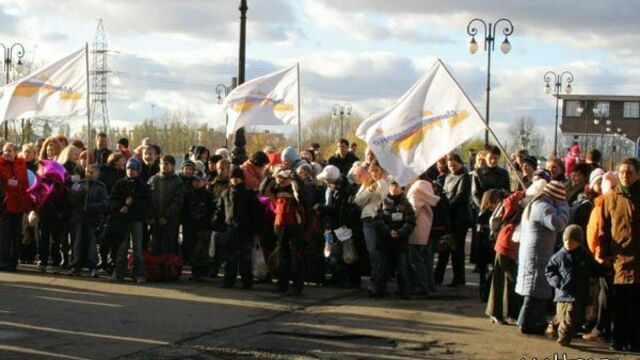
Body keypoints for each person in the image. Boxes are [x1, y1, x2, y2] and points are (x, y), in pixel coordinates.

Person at [516, 180, 569, 335]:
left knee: (536, 290)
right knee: (535, 291)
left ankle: (534, 322)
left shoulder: (536, 204)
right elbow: (558, 224)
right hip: (538, 254)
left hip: (534, 252)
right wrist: (564, 206)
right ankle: (526, 322)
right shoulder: (543, 207)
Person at [598, 158, 640, 351]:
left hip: (638, 258)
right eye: (622, 172)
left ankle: (634, 340)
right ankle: (618, 338)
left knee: (635, 303)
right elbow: (603, 228)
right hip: (619, 258)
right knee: (619, 302)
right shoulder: (611, 197)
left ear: (637, 174)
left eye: (629, 172)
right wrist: (604, 253)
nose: (625, 175)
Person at [546, 225, 605, 346]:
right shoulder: (559, 256)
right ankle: (558, 328)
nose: (568, 243)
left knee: (570, 317)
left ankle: (564, 337)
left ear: (578, 242)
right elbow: (550, 271)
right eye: (566, 240)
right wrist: (557, 282)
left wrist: (605, 270)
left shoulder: (584, 255)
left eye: (572, 241)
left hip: (577, 294)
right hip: (562, 293)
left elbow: (594, 268)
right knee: (562, 315)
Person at [213, 167, 264, 289]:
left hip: (245, 229)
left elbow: (257, 212)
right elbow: (220, 211)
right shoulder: (226, 193)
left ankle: (247, 281)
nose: (234, 180)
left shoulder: (249, 193)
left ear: (241, 178)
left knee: (245, 257)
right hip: (230, 228)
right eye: (232, 177)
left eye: (236, 177)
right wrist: (216, 224)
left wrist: (257, 229)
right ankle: (229, 280)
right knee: (230, 257)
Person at [110, 157, 151, 283]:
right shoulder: (120, 184)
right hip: (123, 220)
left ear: (138, 170)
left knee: (138, 248)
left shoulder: (143, 185)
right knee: (122, 247)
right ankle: (119, 272)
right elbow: (112, 200)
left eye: (133, 169)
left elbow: (147, 203)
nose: (130, 171)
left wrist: (133, 204)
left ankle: (139, 274)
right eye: (128, 168)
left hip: (136, 219)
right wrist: (121, 206)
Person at [373, 179, 416, 299]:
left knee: (402, 268)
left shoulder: (406, 204)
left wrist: (400, 232)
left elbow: (411, 222)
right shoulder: (383, 202)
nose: (393, 188)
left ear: (401, 188)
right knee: (382, 267)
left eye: (396, 186)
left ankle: (404, 292)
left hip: (400, 242)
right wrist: (388, 231)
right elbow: (377, 219)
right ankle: (380, 290)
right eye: (392, 186)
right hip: (385, 241)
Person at [435, 154, 471, 287]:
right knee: (444, 247)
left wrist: (446, 207)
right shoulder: (448, 176)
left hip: (460, 218)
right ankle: (438, 277)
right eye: (450, 166)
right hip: (449, 216)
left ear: (460, 163)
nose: (452, 168)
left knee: (457, 249)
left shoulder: (465, 177)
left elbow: (460, 196)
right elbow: (445, 193)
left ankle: (459, 278)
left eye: (454, 165)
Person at [68, 164, 109, 277]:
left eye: (92, 172)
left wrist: (92, 207)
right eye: (87, 172)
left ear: (97, 174)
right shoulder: (78, 184)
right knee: (77, 243)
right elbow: (72, 199)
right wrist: (81, 192)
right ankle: (75, 265)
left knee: (91, 243)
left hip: (92, 219)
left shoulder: (101, 187)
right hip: (79, 218)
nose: (89, 174)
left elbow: (105, 203)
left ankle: (92, 266)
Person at [270, 166, 306, 295]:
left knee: (296, 257)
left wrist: (294, 177)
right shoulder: (275, 189)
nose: (281, 180)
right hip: (280, 225)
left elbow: (302, 194)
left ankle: (297, 285)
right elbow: (264, 190)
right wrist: (272, 174)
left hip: (295, 225)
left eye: (283, 178)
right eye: (279, 177)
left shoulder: (295, 188)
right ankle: (282, 283)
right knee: (281, 256)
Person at [354, 160, 388, 293]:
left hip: (384, 220)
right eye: (372, 171)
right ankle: (375, 282)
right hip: (369, 219)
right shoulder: (367, 183)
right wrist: (369, 190)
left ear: (382, 171)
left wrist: (381, 182)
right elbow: (358, 201)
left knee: (382, 252)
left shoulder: (388, 180)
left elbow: (386, 196)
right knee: (373, 250)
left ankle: (381, 283)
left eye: (377, 170)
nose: (374, 173)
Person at [0, 143, 32, 272]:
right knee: (4, 235)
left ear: (16, 152)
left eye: (9, 150)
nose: (6, 153)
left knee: (16, 235)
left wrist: (27, 203)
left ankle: (13, 261)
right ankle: (4, 261)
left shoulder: (21, 165)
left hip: (19, 205)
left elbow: (25, 184)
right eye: (4, 151)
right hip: (4, 206)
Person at [407, 178, 440, 295]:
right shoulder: (425, 185)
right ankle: (428, 285)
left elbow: (414, 208)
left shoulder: (416, 187)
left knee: (416, 259)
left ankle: (422, 286)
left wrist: (406, 221)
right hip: (426, 226)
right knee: (426, 259)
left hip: (417, 227)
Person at [148, 155, 185, 255]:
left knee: (169, 247)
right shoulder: (153, 180)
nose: (163, 166)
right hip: (155, 221)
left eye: (166, 164)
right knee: (155, 247)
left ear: (173, 166)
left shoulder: (177, 182)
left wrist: (166, 217)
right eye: (161, 163)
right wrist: (152, 216)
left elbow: (177, 202)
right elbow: (148, 200)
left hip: (170, 222)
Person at [184, 170, 215, 281]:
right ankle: (195, 272)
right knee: (192, 250)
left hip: (204, 227)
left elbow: (212, 211)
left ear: (204, 181)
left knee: (203, 251)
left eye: (199, 180)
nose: (196, 183)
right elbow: (184, 211)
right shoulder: (188, 194)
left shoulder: (208, 195)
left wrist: (210, 225)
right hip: (191, 227)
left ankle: (204, 273)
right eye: (194, 180)